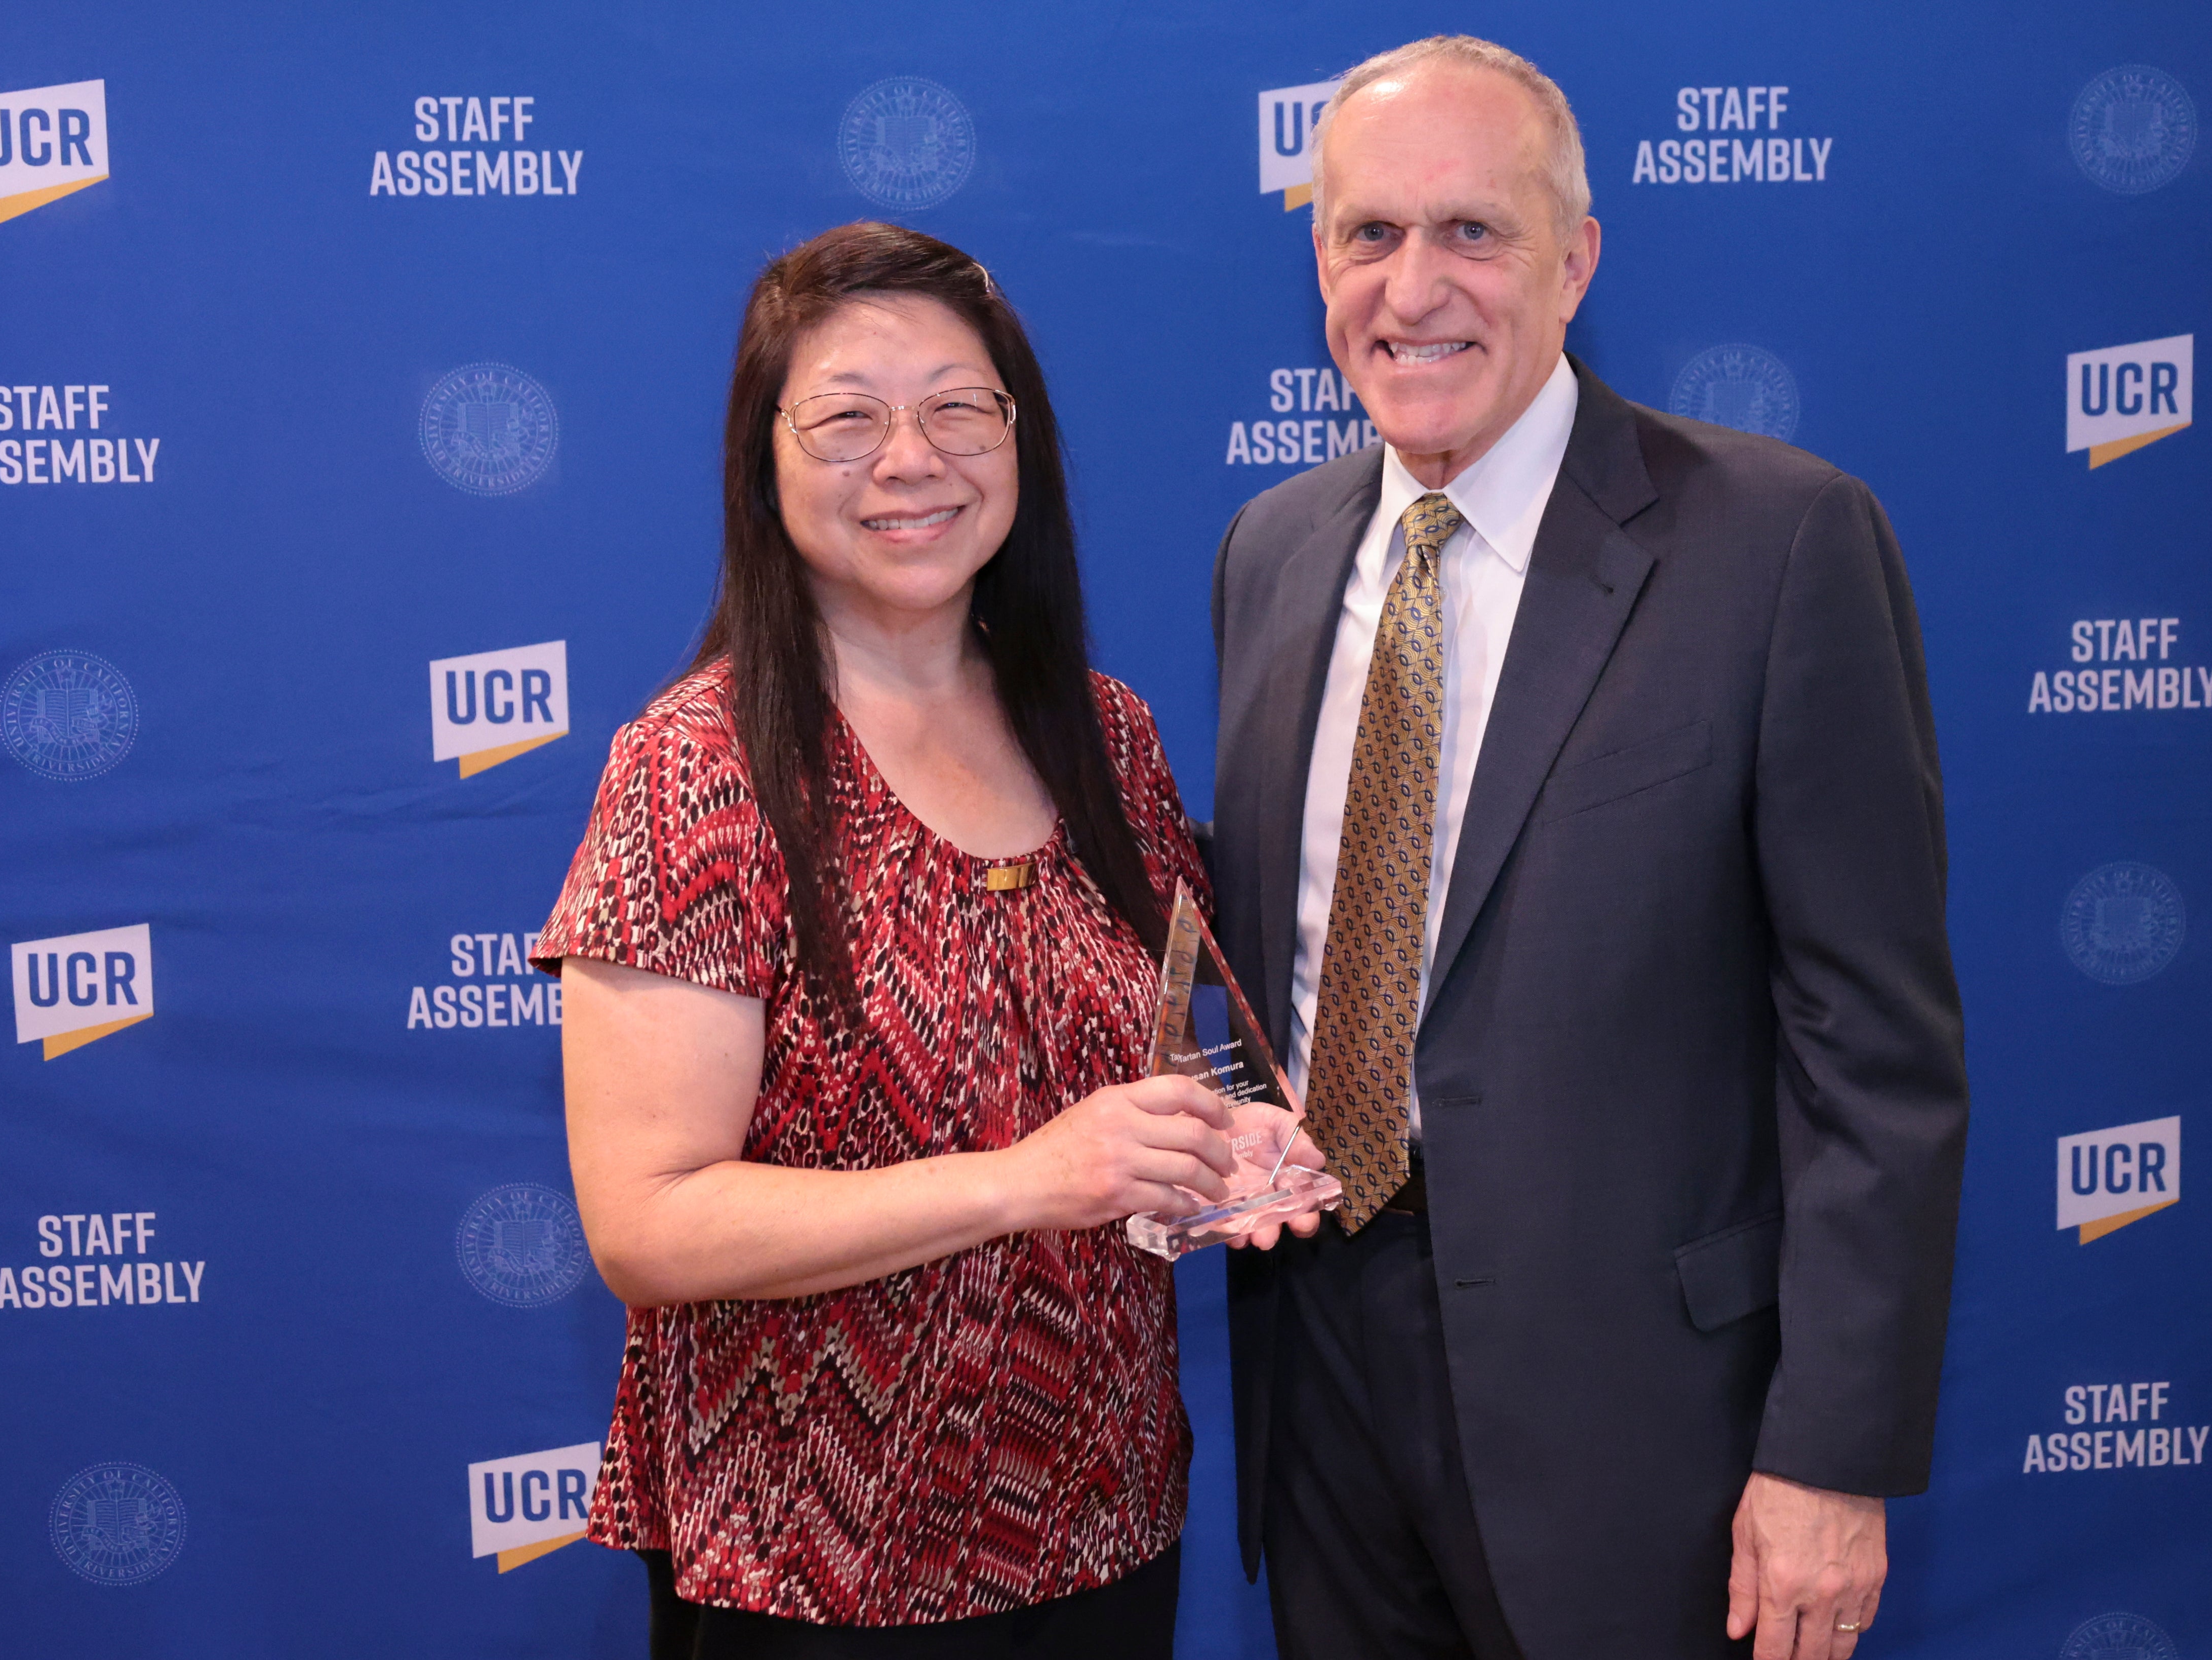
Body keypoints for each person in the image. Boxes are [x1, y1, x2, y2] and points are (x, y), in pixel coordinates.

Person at [1209, 36, 1970, 1660]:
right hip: (1321, 1374)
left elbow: (1875, 1054)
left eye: (1472, 232)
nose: (1415, 285)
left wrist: (1828, 1456)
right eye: (1367, 235)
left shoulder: (1780, 544)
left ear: (1577, 260)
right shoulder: (1268, 554)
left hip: (1647, 1432)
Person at [532, 221, 1311, 1658]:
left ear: (1021, 441)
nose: (912, 458)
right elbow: (647, 1226)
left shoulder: (1105, 734)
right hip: (816, 1574)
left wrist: (1222, 1150)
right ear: (762, 461)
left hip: (1106, 1531)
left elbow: (1154, 1073)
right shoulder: (696, 767)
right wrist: (1020, 1182)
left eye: (961, 407)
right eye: (847, 417)